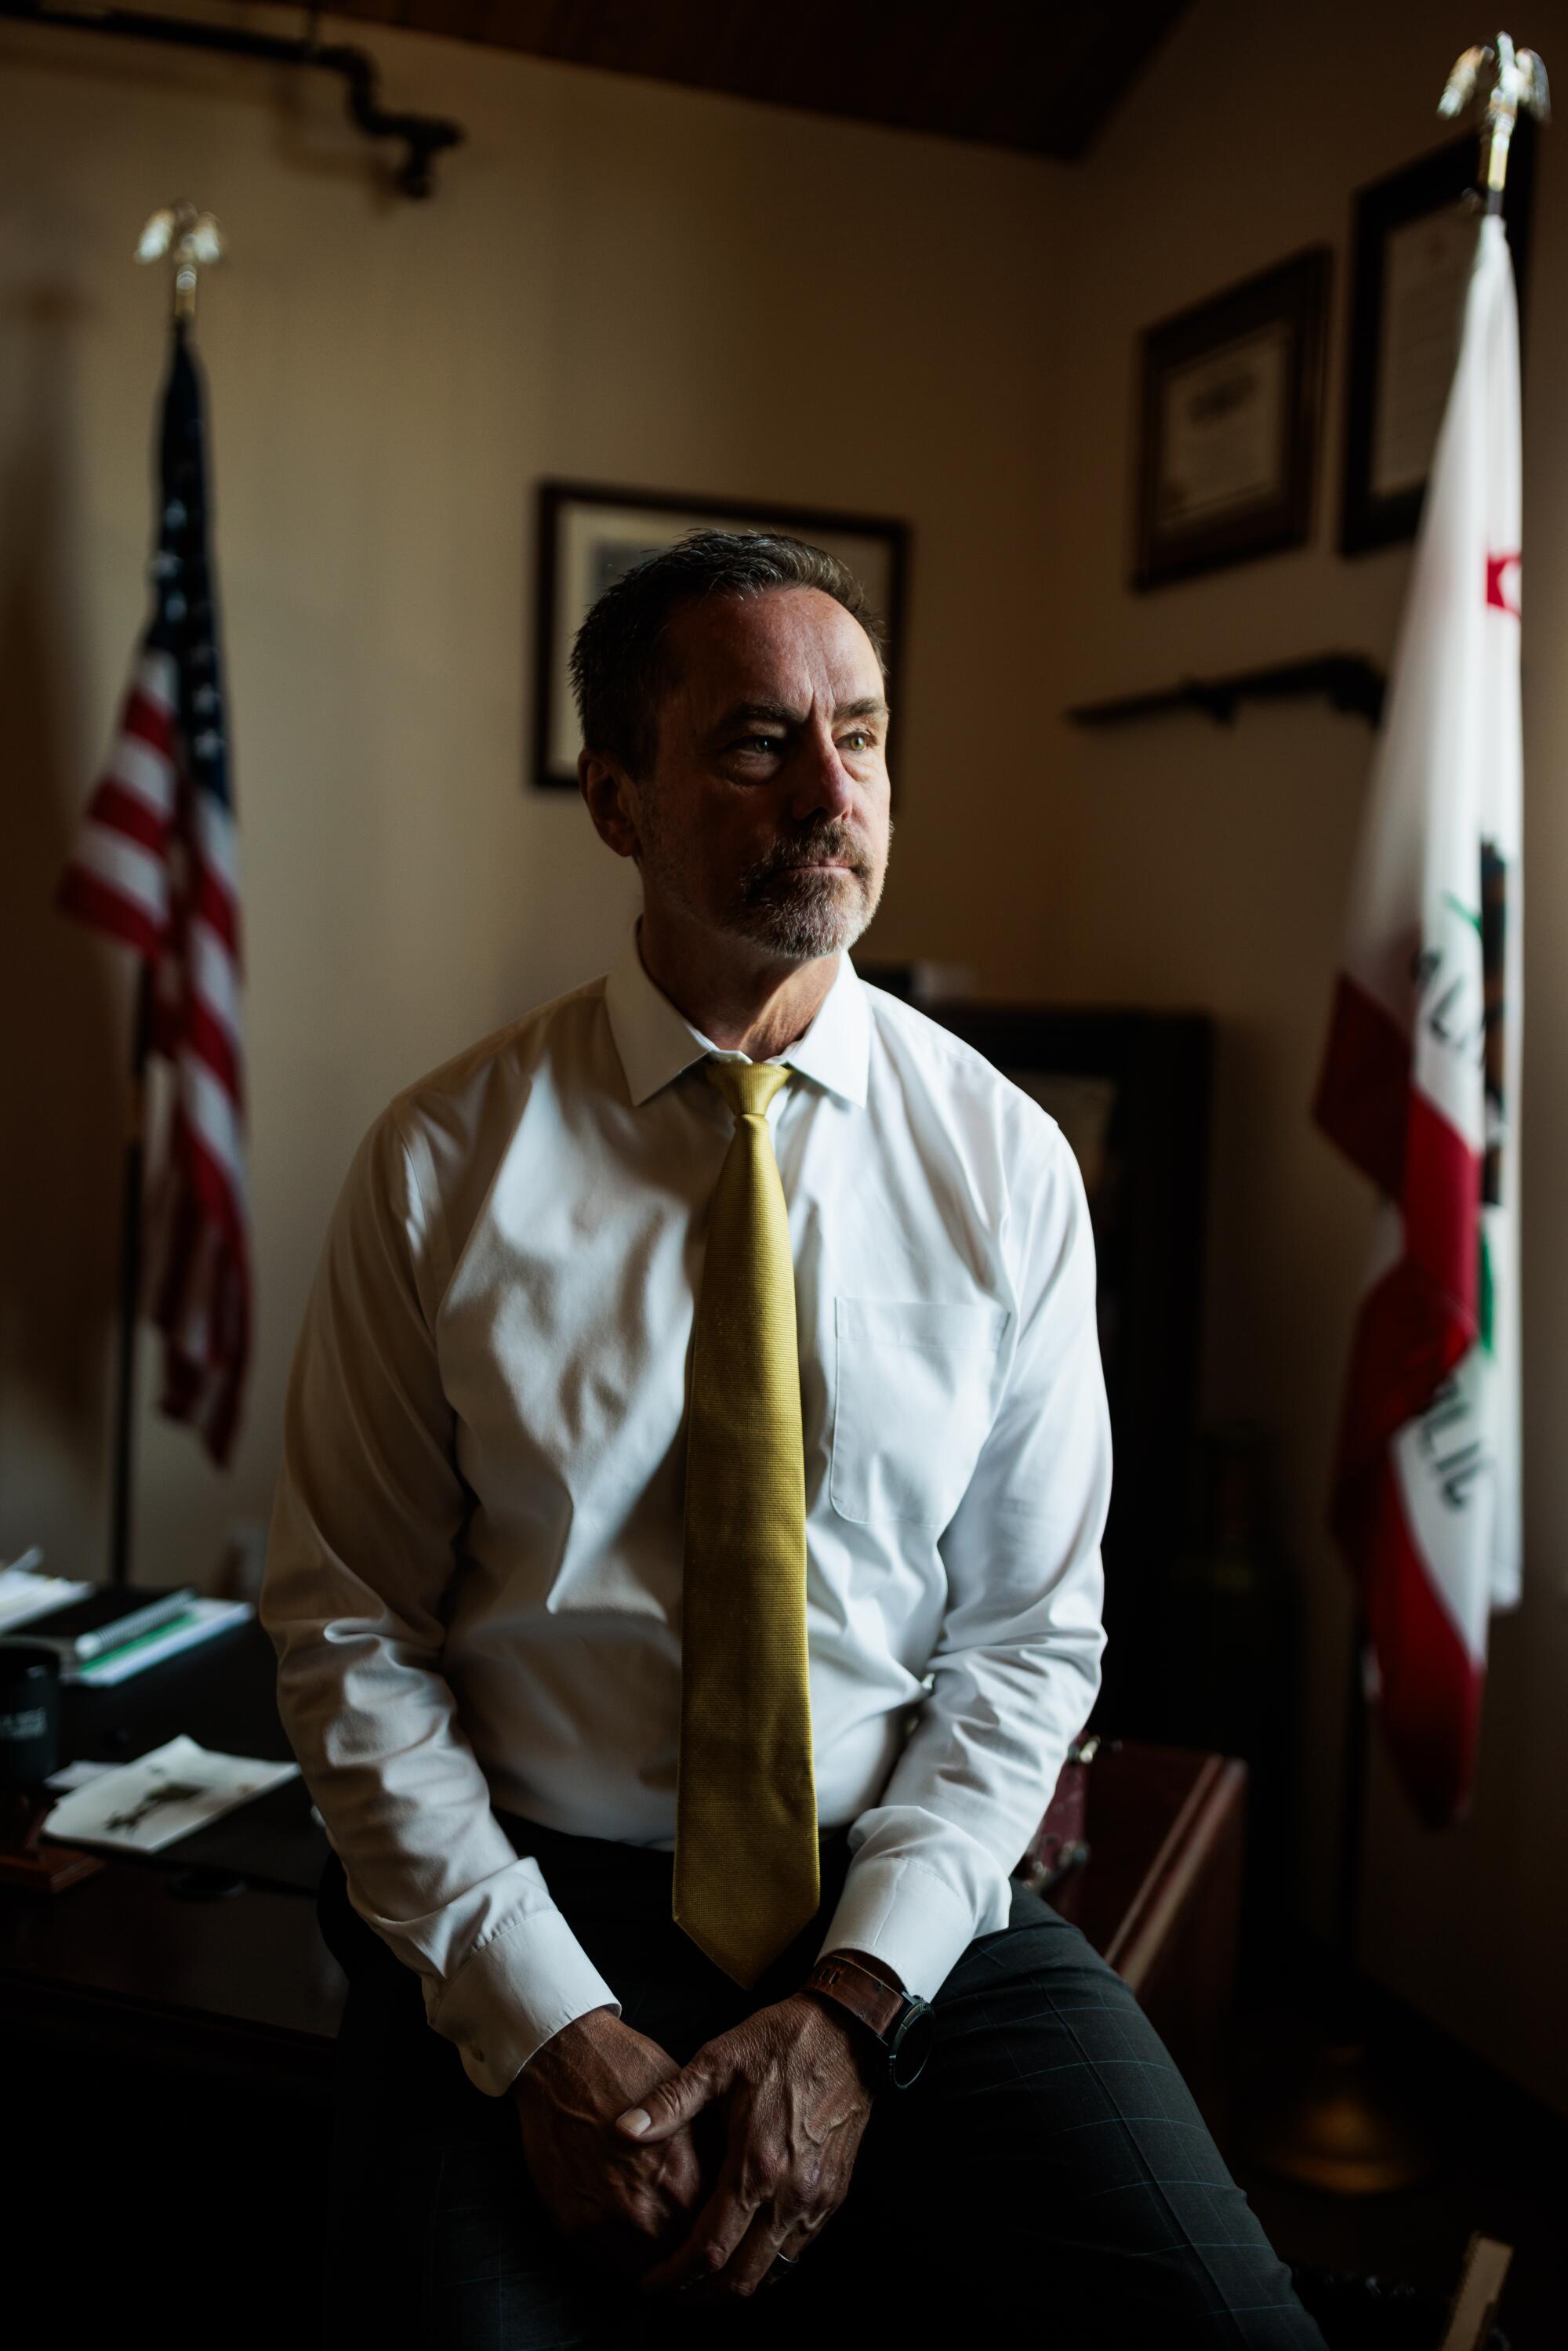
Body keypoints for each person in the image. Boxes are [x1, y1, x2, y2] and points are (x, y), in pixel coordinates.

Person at [261, 532, 1326, 2349]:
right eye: (758, 741)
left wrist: (854, 2008)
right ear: (617, 796)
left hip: (898, 1888)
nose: (831, 788)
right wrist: (546, 2026)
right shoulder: (441, 1165)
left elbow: (1025, 1644)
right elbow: (350, 1634)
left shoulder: (1001, 1164)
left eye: (864, 733)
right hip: (540, 1882)